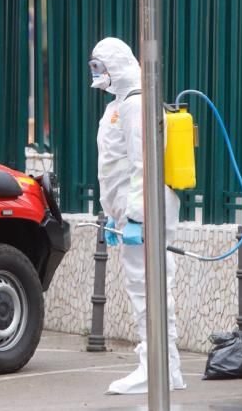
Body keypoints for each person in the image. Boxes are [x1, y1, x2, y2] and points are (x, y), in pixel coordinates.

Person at [89, 37, 186, 395]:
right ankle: (166, 366)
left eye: (100, 67)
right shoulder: (120, 105)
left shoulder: (136, 105)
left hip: (144, 215)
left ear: (116, 66)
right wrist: (115, 216)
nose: (97, 74)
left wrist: (135, 217)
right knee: (146, 287)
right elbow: (113, 166)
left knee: (150, 289)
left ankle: (156, 366)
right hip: (132, 216)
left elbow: (144, 166)